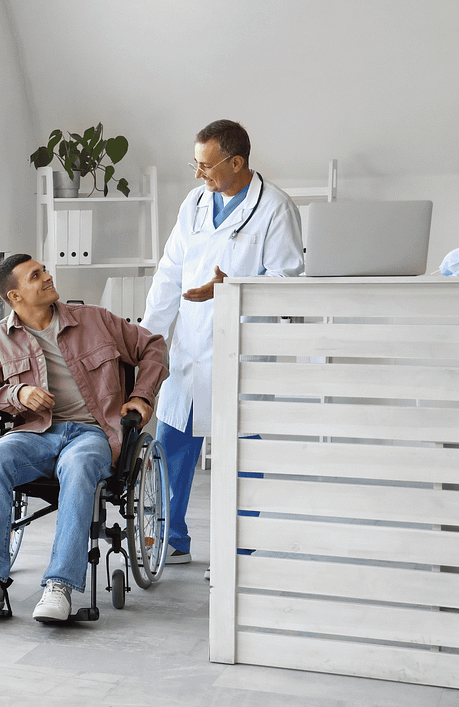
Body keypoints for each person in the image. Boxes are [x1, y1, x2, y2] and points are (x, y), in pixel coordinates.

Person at [0, 255, 167, 622]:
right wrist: (17, 395)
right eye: (35, 276)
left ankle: (61, 585)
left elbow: (154, 346)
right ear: (15, 296)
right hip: (35, 433)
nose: (47, 276)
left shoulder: (95, 320)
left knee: (80, 463)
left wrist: (142, 394)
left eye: (44, 270)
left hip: (92, 432)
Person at [142, 119, 303, 573]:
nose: (199, 175)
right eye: (195, 164)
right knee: (171, 448)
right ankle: (172, 539)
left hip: (241, 352)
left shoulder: (274, 209)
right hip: (190, 349)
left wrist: (230, 288)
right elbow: (169, 273)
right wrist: (149, 339)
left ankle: (240, 552)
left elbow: (288, 282)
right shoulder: (194, 202)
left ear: (237, 162)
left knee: (241, 459)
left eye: (206, 166)